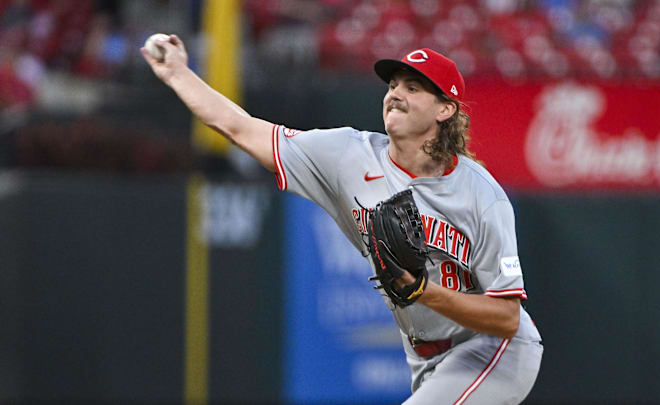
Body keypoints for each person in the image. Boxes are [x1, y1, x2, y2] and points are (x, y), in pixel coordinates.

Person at [142, 36, 543, 404]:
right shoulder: (347, 156)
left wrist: (425, 292)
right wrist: (178, 73)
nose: (395, 95)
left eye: (413, 88)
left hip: (494, 349)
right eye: (393, 86)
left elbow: (507, 319)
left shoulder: (481, 195)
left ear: (445, 109)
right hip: (423, 355)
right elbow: (239, 128)